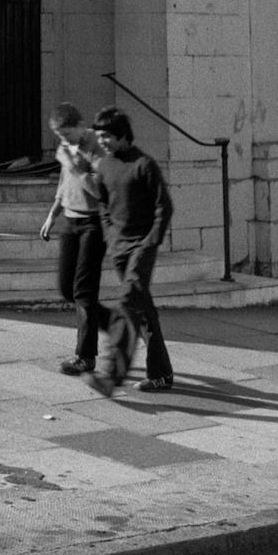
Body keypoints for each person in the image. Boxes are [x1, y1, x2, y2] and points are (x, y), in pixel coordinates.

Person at [83, 104, 175, 396]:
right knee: (144, 312)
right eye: (99, 136)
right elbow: (102, 204)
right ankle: (161, 375)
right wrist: (111, 235)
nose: (103, 141)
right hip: (119, 249)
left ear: (123, 135)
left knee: (126, 307)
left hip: (141, 249)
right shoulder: (104, 166)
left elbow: (164, 207)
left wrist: (149, 243)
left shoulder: (144, 165)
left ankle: (111, 376)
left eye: (108, 136)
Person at [40, 102, 107, 376]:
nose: (64, 142)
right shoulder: (67, 146)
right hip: (69, 218)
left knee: (84, 291)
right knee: (67, 288)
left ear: (81, 126)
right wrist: (52, 215)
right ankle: (115, 323)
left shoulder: (97, 145)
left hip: (93, 222)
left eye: (68, 136)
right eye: (60, 137)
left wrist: (77, 165)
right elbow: (64, 182)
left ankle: (85, 356)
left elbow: (100, 189)